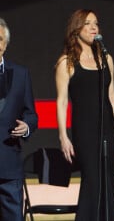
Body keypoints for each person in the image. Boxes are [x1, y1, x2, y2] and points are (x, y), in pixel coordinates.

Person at [55, 9, 114, 221]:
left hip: (109, 131)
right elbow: (61, 102)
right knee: (93, 182)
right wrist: (63, 135)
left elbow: (112, 98)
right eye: (87, 23)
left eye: (96, 23)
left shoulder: (106, 59)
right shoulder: (66, 62)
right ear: (76, 28)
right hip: (85, 133)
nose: (93, 28)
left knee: (108, 182)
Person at [0, 18, 38, 221]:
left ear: (5, 44)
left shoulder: (20, 74)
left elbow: (31, 114)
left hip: (9, 163)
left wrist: (26, 127)